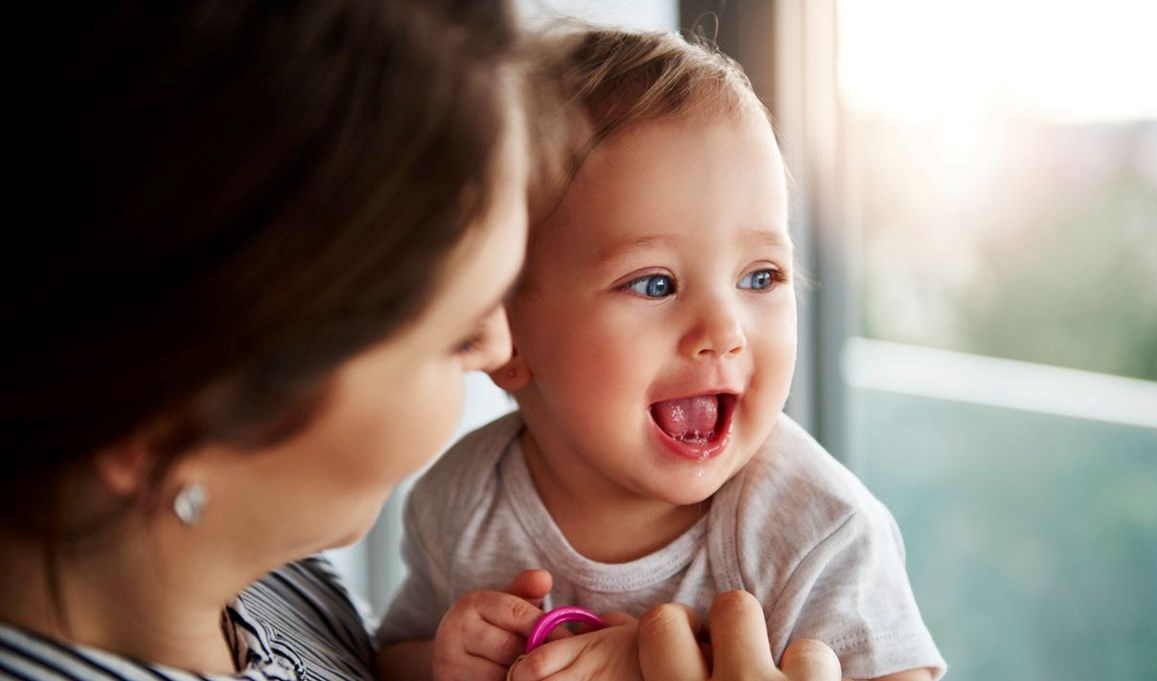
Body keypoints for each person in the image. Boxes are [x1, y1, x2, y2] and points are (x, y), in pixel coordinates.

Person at [0, 2, 842, 680]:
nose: (492, 350)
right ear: (173, 408)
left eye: (763, 275)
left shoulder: (266, 577)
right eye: (454, 328)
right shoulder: (456, 506)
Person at [377, 27, 947, 681]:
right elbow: (388, 658)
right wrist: (445, 661)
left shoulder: (818, 531)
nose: (723, 329)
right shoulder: (462, 501)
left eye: (760, 277)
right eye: (654, 283)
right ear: (504, 330)